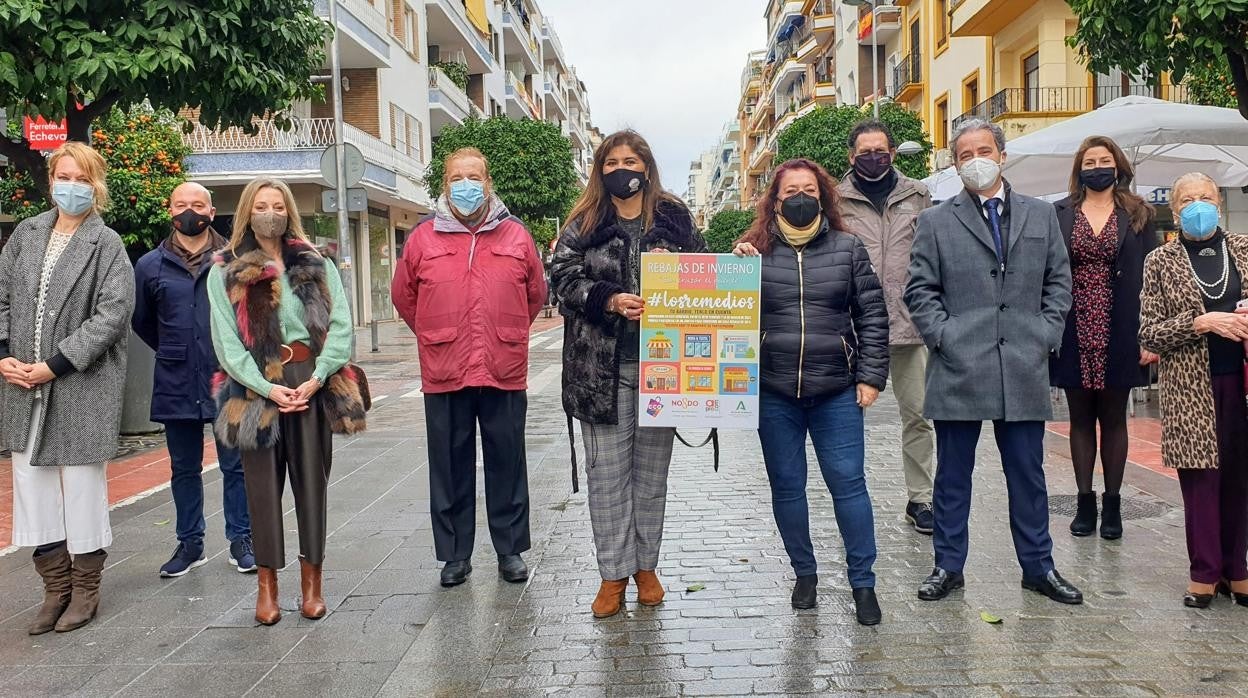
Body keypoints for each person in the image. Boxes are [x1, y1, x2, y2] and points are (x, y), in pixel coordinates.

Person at [904, 118, 1082, 605]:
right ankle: (947, 565)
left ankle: (1038, 567)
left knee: (1028, 474)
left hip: (1023, 363)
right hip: (959, 364)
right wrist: (943, 337)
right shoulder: (935, 221)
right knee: (952, 476)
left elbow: (1058, 282)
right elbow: (919, 289)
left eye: (984, 149)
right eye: (965, 154)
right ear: (955, 164)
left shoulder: (1040, 216)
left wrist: (1046, 334)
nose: (976, 159)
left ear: (1002, 155)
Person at [551, 130, 707, 619]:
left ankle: (646, 568)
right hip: (601, 370)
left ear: (646, 166)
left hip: (664, 369)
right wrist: (609, 299)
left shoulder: (675, 217)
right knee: (608, 478)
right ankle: (613, 575)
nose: (623, 169)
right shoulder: (584, 221)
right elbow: (561, 279)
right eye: (613, 161)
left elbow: (706, 270)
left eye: (631, 160)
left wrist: (703, 266)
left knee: (650, 476)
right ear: (601, 169)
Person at [733, 158, 888, 625]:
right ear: (774, 201)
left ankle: (863, 583)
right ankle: (805, 573)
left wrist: (870, 376)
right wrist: (735, 273)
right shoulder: (753, 254)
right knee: (787, 487)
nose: (800, 198)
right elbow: (730, 319)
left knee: (849, 486)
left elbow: (873, 315)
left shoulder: (848, 248)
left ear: (823, 196)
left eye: (809, 189)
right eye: (790, 191)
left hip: (836, 391)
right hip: (774, 391)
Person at [207, 177, 365, 625]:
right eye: (261, 205)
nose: (270, 213)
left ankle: (312, 585)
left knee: (312, 483)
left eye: (278, 205)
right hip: (256, 387)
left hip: (311, 379)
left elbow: (340, 325)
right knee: (260, 489)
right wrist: (265, 387)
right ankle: (267, 587)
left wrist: (316, 378)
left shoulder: (317, 262)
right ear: (247, 212)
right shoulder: (225, 268)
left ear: (289, 210)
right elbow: (226, 341)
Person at [391, 148, 547, 588]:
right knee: (448, 463)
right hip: (445, 367)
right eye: (457, 176)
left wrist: (507, 328)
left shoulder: (516, 235)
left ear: (488, 180)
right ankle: (455, 556)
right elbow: (404, 296)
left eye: (473, 175)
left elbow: (535, 294)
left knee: (508, 461)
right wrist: (435, 331)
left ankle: (510, 550)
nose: (466, 183)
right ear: (444, 183)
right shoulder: (423, 236)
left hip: (503, 364)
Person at [0, 142, 134, 634]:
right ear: (51, 178)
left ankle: (85, 590)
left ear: (94, 184)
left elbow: (112, 315)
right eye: (63, 175)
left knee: (80, 487)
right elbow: (2, 297)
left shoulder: (108, 244)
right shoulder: (26, 233)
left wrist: (55, 364)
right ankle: (53, 589)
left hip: (80, 384)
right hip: (20, 385)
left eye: (81, 178)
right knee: (32, 487)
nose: (70, 186)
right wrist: (4, 356)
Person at [133, 182, 256, 577]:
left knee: (235, 465)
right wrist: (175, 348)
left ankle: (241, 538)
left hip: (227, 375)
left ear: (211, 208)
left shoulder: (233, 259)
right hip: (176, 377)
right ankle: (190, 542)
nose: (190, 210)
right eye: (181, 204)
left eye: (197, 204)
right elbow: (142, 322)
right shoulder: (150, 265)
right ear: (169, 209)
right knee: (183, 467)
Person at [1138, 172, 1248, 609]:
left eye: (1204, 196)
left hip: (1241, 379)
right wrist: (1201, 322)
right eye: (1187, 199)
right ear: (1176, 208)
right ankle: (1204, 572)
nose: (1196, 205)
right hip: (1189, 386)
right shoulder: (1160, 261)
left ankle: (1236, 569)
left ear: (1218, 202)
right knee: (1200, 478)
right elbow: (1149, 332)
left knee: (1241, 474)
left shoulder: (1243, 248)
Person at [1050, 136, 1159, 540]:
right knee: (1079, 417)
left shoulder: (1139, 213)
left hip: (1121, 323)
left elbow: (1153, 277)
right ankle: (1083, 501)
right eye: (1090, 160)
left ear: (1118, 167)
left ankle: (1112, 504)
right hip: (1072, 323)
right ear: (1079, 168)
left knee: (1114, 417)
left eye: (1104, 160)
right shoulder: (1059, 213)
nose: (1097, 166)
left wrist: (1150, 332)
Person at [836, 119, 936, 535]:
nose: (873, 158)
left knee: (918, 415)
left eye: (880, 151)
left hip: (910, 324)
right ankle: (850, 499)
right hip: (853, 327)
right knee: (845, 420)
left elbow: (934, 253)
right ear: (852, 157)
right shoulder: (835, 200)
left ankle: (922, 499)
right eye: (864, 153)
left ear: (892, 154)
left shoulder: (919, 194)